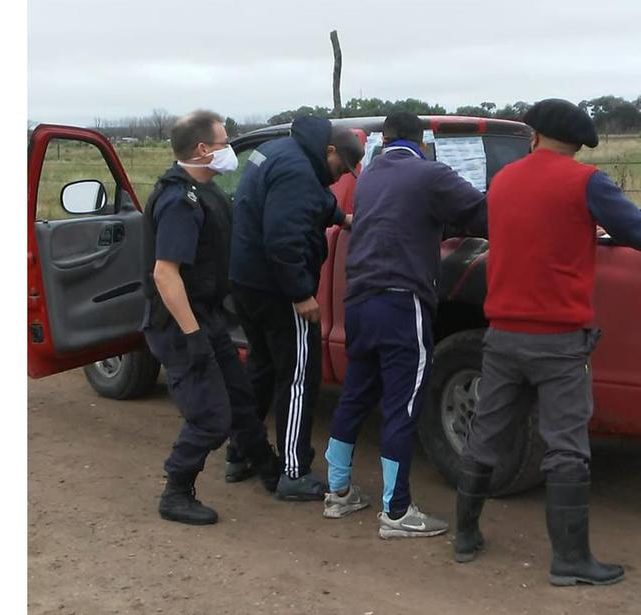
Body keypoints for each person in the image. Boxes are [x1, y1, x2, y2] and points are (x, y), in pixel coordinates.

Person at [454, 99, 641, 584]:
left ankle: (465, 537)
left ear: (534, 135)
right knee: (567, 447)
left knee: (486, 436)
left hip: (503, 335)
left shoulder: (503, 182)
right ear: (576, 143)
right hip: (558, 340)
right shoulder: (586, 182)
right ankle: (569, 560)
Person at [322, 112, 488, 539]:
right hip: (402, 303)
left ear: (385, 140)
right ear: (422, 141)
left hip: (359, 301)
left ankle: (337, 492)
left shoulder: (372, 176)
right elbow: (482, 214)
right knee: (403, 403)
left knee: (356, 395)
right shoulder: (430, 173)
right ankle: (396, 512)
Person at [142, 110, 281, 526]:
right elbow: (165, 274)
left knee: (240, 400)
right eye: (224, 142)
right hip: (181, 324)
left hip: (207, 315)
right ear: (203, 150)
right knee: (210, 417)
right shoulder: (178, 200)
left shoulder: (210, 193)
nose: (228, 148)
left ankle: (265, 467)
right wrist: (193, 337)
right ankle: (176, 490)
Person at [230, 116, 364, 502]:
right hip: (278, 290)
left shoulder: (278, 152)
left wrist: (342, 217)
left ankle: (241, 453)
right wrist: (302, 294)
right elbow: (283, 238)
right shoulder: (299, 171)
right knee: (299, 377)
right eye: (340, 169)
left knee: (261, 367)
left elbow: (310, 201)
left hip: (247, 283)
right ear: (330, 151)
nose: (338, 179)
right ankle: (294, 471)